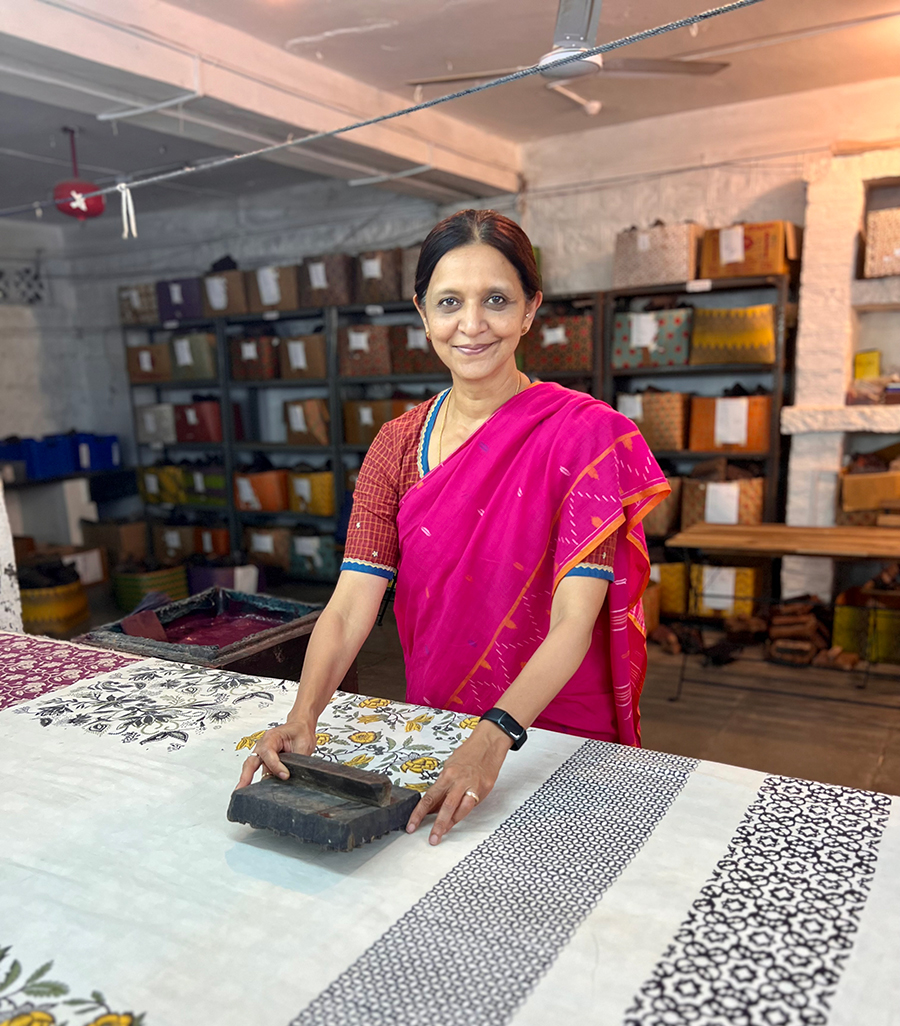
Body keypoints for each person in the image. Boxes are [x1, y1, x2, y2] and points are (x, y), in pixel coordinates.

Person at [237, 209, 669, 844]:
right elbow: (353, 603)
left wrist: (494, 738)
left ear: (529, 310)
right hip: (438, 719)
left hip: (550, 730)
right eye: (449, 302)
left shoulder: (582, 438)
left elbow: (575, 622)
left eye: (496, 300)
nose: (472, 325)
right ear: (422, 313)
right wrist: (304, 715)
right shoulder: (396, 444)